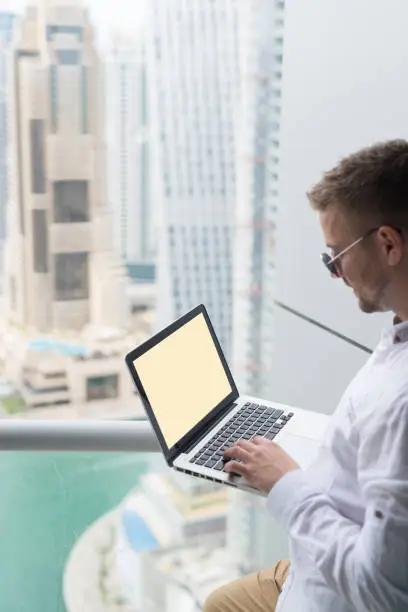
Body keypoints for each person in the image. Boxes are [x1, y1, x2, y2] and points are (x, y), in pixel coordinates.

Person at [204, 140, 408, 612]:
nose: (335, 271)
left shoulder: (402, 404)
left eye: (336, 254)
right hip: (313, 559)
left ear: (388, 244)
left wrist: (286, 484)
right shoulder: (399, 330)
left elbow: (381, 590)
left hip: (332, 592)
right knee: (218, 601)